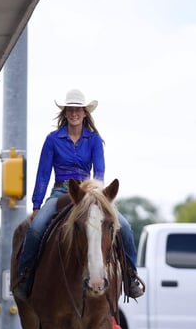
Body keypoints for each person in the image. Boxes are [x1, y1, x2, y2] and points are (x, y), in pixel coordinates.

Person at [13, 88, 144, 300]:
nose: (74, 113)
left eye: (78, 110)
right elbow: (43, 173)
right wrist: (37, 205)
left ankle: (130, 277)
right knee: (36, 229)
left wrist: (96, 193)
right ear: (65, 113)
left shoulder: (93, 140)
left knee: (126, 227)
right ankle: (25, 277)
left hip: (90, 191)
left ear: (85, 113)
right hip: (60, 190)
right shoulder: (53, 139)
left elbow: (99, 172)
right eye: (70, 110)